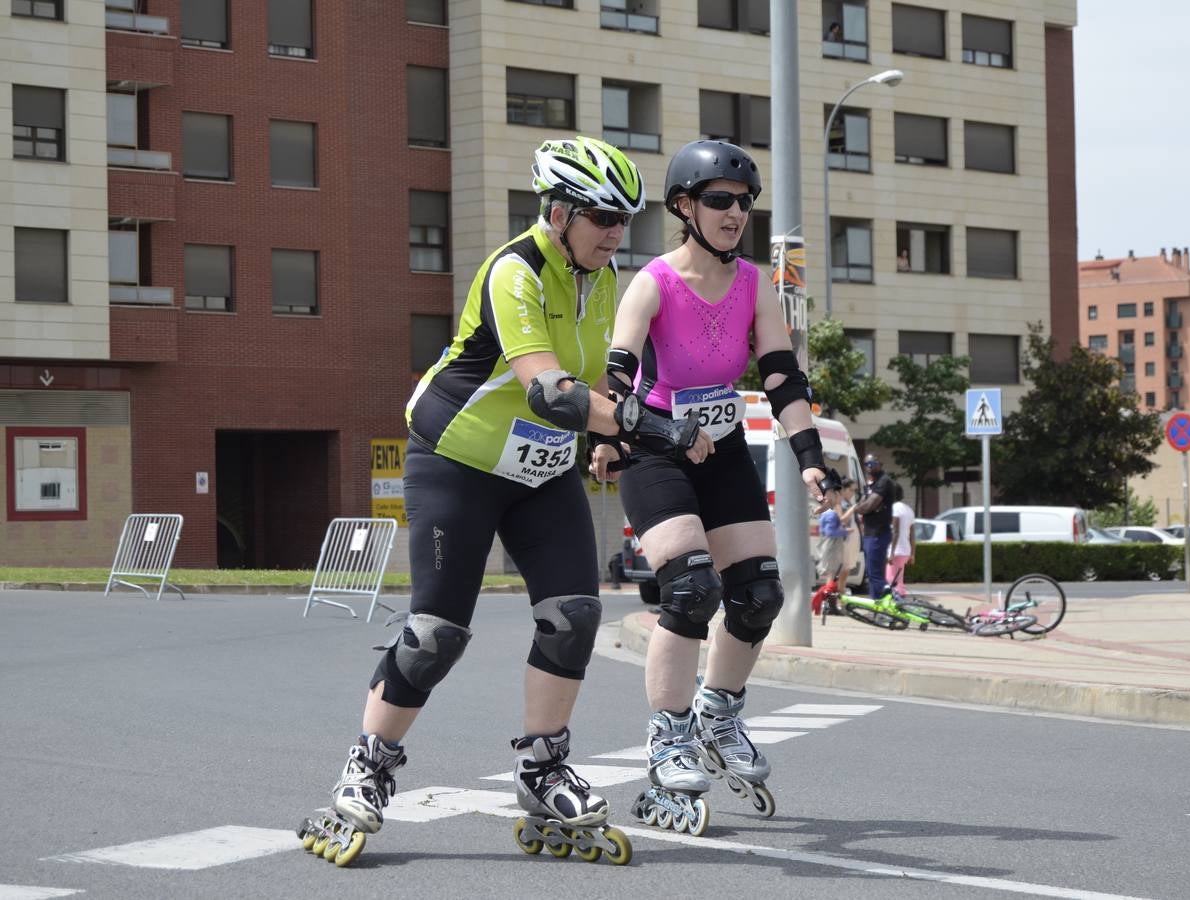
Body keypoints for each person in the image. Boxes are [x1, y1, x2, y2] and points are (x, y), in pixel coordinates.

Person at [300, 137, 701, 863]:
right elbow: (550, 388)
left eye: (623, 219)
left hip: (540, 470)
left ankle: (542, 766)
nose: (614, 232)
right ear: (556, 212)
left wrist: (626, 431)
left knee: (574, 615)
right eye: (599, 216)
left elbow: (595, 386)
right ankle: (367, 766)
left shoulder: (601, 276)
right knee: (435, 634)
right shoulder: (513, 271)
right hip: (457, 459)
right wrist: (655, 426)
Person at [592, 139, 839, 832]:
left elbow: (784, 376)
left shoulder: (757, 285)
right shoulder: (652, 282)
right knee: (691, 588)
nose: (736, 214)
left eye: (745, 203)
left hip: (724, 446)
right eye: (721, 201)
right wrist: (608, 436)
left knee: (760, 592)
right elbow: (617, 375)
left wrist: (810, 457)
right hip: (656, 449)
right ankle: (668, 736)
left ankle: (718, 712)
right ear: (684, 206)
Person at [851, 454, 896, 600]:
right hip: (871, 533)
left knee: (875, 573)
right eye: (867, 464)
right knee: (872, 572)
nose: (869, 467)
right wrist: (862, 506)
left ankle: (890, 601)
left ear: (880, 464)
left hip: (878, 532)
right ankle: (878, 603)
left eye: (873, 463)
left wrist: (857, 508)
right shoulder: (873, 484)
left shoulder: (884, 482)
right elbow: (865, 503)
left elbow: (869, 505)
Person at [811, 486, 853, 616]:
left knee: (832, 576)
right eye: (839, 495)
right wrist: (845, 531)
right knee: (831, 576)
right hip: (831, 547)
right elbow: (830, 532)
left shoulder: (828, 512)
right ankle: (830, 606)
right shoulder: (831, 512)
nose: (840, 498)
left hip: (831, 547)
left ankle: (830, 605)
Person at [885, 483, 916, 590]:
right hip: (905, 550)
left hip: (896, 550)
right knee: (899, 579)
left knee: (891, 579)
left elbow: (895, 531)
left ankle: (898, 600)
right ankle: (900, 598)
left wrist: (891, 552)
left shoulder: (894, 508)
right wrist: (913, 554)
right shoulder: (909, 510)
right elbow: (912, 534)